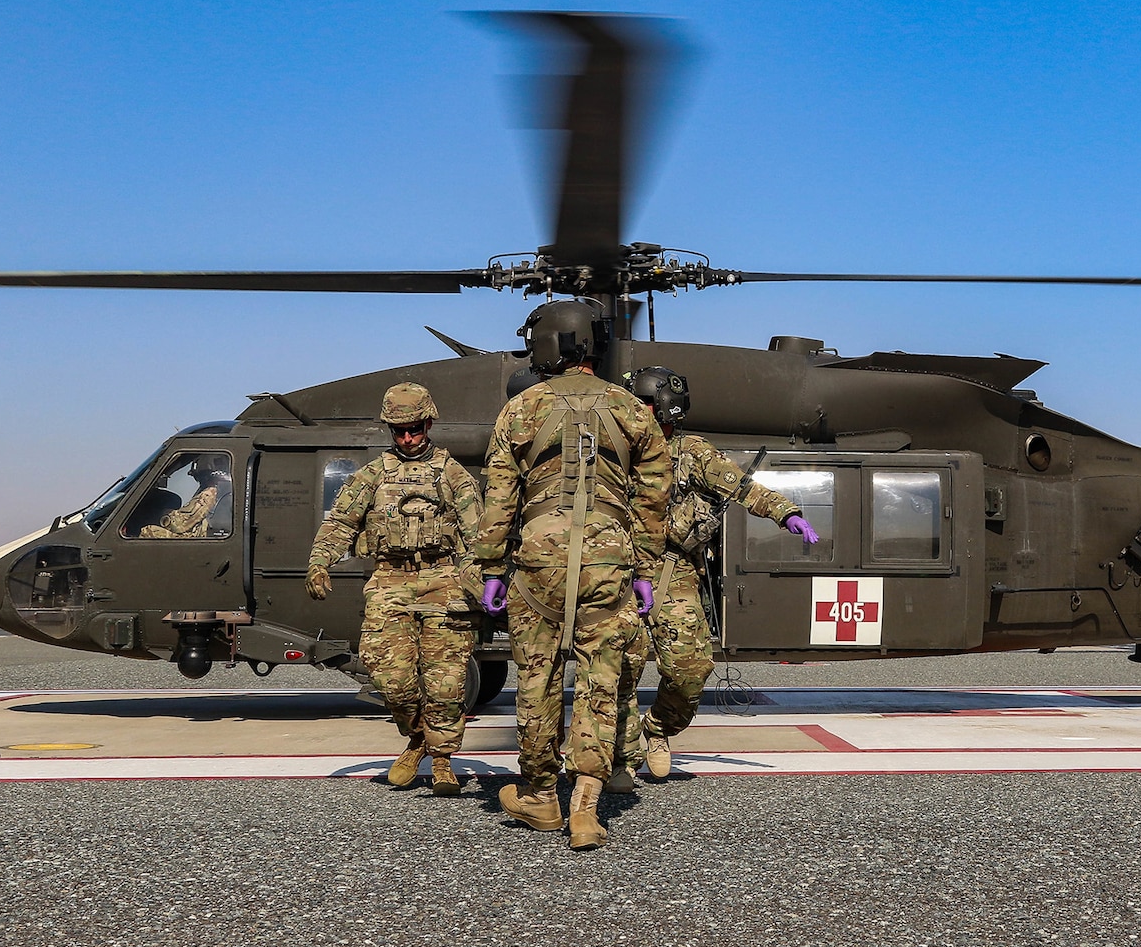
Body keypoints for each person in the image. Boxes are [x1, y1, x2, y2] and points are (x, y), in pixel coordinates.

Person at [475, 300, 669, 849]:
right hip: (610, 558)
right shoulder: (634, 412)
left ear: (549, 346)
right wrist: (647, 571)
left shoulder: (521, 409)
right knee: (600, 678)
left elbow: (499, 499)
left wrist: (491, 567)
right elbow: (653, 501)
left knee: (536, 677)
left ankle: (540, 794)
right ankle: (586, 805)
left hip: (539, 559)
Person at [617, 366, 818, 784]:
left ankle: (656, 730)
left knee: (690, 670)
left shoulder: (692, 452)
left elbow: (742, 487)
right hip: (618, 574)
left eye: (647, 404)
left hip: (673, 574)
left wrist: (786, 513)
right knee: (617, 670)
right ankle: (620, 749)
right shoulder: (611, 450)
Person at [307, 382, 483, 797]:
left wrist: (485, 582)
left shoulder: (452, 474)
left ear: (429, 423)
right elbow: (340, 523)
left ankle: (442, 760)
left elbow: (479, 537)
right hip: (389, 581)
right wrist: (319, 561)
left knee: (446, 682)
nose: (407, 438)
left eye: (415, 428)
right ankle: (417, 737)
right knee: (390, 680)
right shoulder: (372, 474)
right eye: (399, 430)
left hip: (443, 582)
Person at [137, 454, 231, 538]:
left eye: (195, 468)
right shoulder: (221, 489)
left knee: (149, 531)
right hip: (203, 534)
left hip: (198, 538)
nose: (190, 473)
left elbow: (180, 525)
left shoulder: (209, 493)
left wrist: (163, 514)